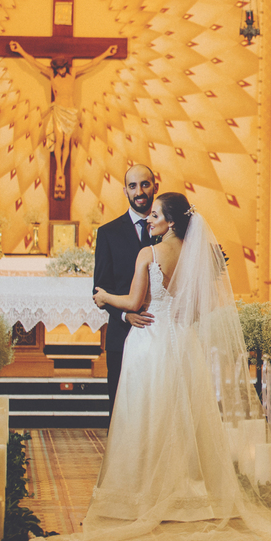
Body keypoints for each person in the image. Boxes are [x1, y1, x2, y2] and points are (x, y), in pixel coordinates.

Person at [33, 192, 271, 541]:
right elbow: (199, 309)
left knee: (146, 413)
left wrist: (106, 298)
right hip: (183, 343)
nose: (149, 219)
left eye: (155, 215)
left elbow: (135, 303)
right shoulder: (196, 255)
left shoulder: (148, 254)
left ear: (170, 221)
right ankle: (189, 492)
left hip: (150, 341)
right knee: (185, 415)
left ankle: (142, 493)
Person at [8, 41, 118, 199]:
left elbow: (92, 64)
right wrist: (20, 50)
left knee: (67, 142)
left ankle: (62, 166)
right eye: (58, 68)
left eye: (62, 67)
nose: (61, 70)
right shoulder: (51, 75)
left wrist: (107, 53)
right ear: (55, 68)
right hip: (59, 110)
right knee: (58, 140)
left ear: (66, 66)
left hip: (71, 111)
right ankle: (59, 169)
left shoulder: (72, 73)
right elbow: (33, 62)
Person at [93, 164, 158, 416]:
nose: (139, 191)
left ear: (155, 186)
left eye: (145, 184)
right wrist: (125, 314)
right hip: (122, 336)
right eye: (133, 186)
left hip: (159, 334)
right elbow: (99, 289)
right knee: (121, 410)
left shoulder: (170, 231)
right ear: (125, 191)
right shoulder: (108, 233)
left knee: (155, 410)